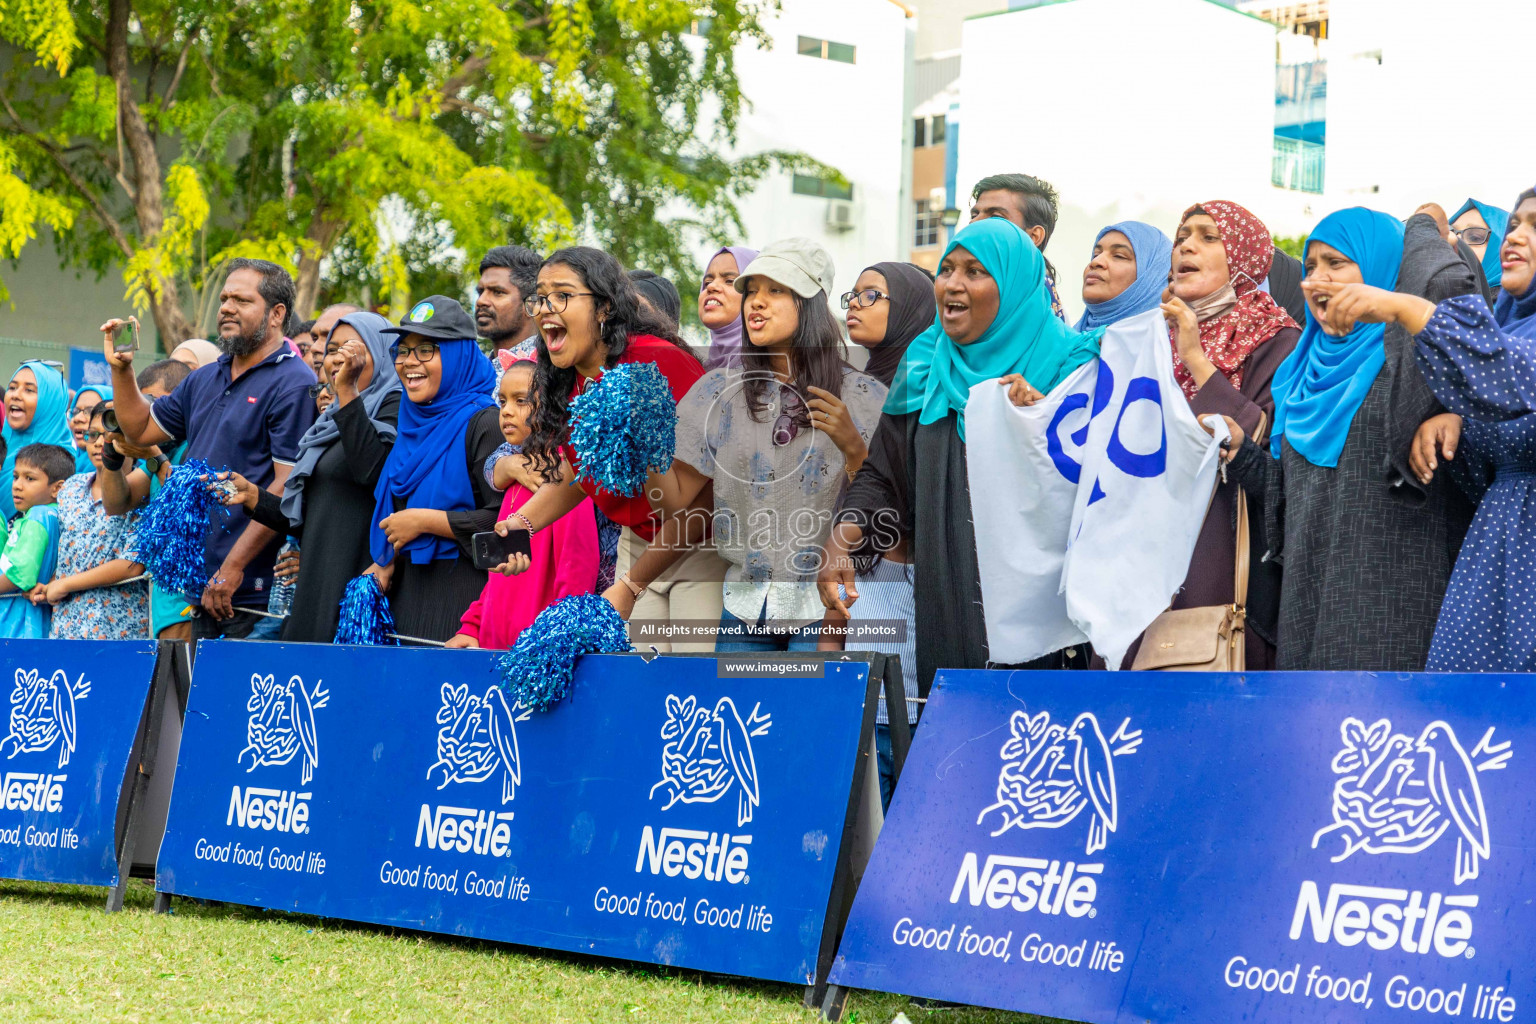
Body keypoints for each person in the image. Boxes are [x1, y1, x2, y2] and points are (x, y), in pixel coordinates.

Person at [820, 218, 1102, 690]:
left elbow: (1094, 492)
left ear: (1013, 285)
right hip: (947, 604)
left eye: (975, 272)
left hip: (1043, 622)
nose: (952, 284)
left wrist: (1038, 423)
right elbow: (884, 476)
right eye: (947, 269)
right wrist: (841, 539)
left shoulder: (1072, 367)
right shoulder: (926, 362)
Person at [1219, 206, 1480, 672]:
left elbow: (1443, 286)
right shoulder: (1296, 378)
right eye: (1311, 266)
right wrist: (1242, 452)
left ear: (1382, 269)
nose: (1318, 278)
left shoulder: (1415, 364)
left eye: (1337, 263)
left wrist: (1423, 224)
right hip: (1307, 610)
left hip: (1393, 613)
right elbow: (1292, 497)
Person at [621, 239, 887, 652]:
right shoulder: (717, 391)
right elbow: (674, 505)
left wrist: (853, 447)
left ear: (811, 301)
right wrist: (648, 433)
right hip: (742, 607)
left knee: (800, 717)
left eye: (775, 290)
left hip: (823, 609)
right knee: (741, 717)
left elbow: (879, 508)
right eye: (751, 292)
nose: (756, 303)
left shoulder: (863, 396)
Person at [489, 247, 711, 648]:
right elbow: (579, 472)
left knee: (689, 689)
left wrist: (629, 586)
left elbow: (698, 505)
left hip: (700, 545)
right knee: (640, 685)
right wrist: (522, 524)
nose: (546, 308)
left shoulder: (659, 364)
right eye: (541, 297)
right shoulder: (564, 379)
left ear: (604, 307)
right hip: (640, 540)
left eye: (563, 295)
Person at [103, 257, 317, 640]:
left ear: (276, 313)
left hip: (255, 594)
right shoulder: (206, 377)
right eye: (223, 299)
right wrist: (121, 370)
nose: (226, 308)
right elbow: (141, 426)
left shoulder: (294, 382)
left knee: (238, 699)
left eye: (242, 300)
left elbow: (285, 489)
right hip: (203, 584)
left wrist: (234, 566)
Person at [1369, 189, 1536, 671]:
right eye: (1516, 224)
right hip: (1494, 561)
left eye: (1535, 226)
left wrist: (1410, 309)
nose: (1515, 236)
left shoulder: (1502, 351)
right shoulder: (1509, 328)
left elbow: (1509, 372)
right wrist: (1457, 421)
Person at [1139, 200, 1301, 669]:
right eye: (1182, 235)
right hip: (1145, 551)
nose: (1186, 245)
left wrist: (1194, 355)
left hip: (1220, 555)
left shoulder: (1278, 340)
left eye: (1209, 237)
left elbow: (1260, 444)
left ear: (1245, 255)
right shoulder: (1148, 336)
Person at [212, 312, 404, 642]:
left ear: (383, 351)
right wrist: (255, 497)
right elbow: (312, 515)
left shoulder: (395, 404)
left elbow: (372, 472)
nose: (339, 358)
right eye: (333, 350)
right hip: (316, 582)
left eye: (352, 349)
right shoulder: (328, 422)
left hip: (355, 581)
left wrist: (347, 392)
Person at [831, 259, 934, 808]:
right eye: (854, 293)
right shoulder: (846, 385)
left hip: (893, 578)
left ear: (913, 308)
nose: (855, 303)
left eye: (873, 295)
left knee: (891, 742)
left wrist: (852, 444)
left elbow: (900, 496)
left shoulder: (921, 389)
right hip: (843, 583)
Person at [359, 297, 503, 642]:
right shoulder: (412, 423)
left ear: (458, 356)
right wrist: (387, 555)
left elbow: (509, 525)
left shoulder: (487, 423)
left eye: (426, 350)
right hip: (406, 598)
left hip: (462, 608)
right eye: (403, 350)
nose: (410, 362)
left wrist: (425, 521)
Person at [447, 359, 599, 649]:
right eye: (503, 401)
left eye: (521, 401)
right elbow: (499, 574)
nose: (506, 410)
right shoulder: (514, 479)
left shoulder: (565, 482)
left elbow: (577, 575)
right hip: (496, 652)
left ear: (551, 406)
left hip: (537, 658)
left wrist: (553, 647)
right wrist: (473, 627)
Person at [99, 358, 195, 640]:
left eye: (153, 404)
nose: (145, 415)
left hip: (187, 603)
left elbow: (186, 502)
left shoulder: (195, 445)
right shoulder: (161, 452)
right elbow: (116, 503)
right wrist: (113, 454)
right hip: (163, 604)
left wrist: (153, 454)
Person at [40, 405, 148, 638]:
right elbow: (66, 551)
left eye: (111, 436)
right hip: (67, 623)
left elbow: (132, 564)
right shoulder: (71, 487)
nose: (101, 443)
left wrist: (66, 584)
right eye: (93, 435)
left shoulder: (143, 492)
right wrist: (50, 583)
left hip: (117, 624)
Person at [969, 173, 1067, 321]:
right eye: (974, 215)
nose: (975, 222)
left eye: (996, 217)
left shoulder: (1041, 306)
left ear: (1034, 236)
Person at [0, 443, 70, 639]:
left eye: (30, 478)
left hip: (18, 623)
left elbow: (21, 574)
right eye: (15, 477)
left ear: (57, 488)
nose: (17, 485)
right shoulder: (52, 515)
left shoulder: (37, 516)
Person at [1, 361, 75, 521]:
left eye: (29, 390)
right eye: (12, 387)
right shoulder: (3, 451)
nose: (15, 395)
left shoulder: (65, 464)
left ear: (51, 402)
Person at [1075, 221, 1173, 331]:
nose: (1096, 262)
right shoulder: (1064, 342)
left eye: (1119, 256)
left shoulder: (1172, 344)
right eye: (1096, 254)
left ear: (1152, 278)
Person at [698, 245, 759, 369]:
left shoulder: (782, 369)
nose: (711, 287)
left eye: (730, 281)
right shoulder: (700, 372)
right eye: (707, 282)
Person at [476, 246, 543, 358]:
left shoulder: (552, 371)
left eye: (497, 292)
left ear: (531, 305)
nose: (481, 301)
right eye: (480, 291)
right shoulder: (480, 372)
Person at [1450, 198, 1510, 292]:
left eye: (1475, 237)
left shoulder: (1519, 306)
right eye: (1450, 234)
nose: (1455, 241)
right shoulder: (1433, 301)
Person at [68, 383, 112, 474]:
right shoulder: (69, 466)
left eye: (90, 411)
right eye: (75, 411)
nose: (77, 418)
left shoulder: (135, 474)